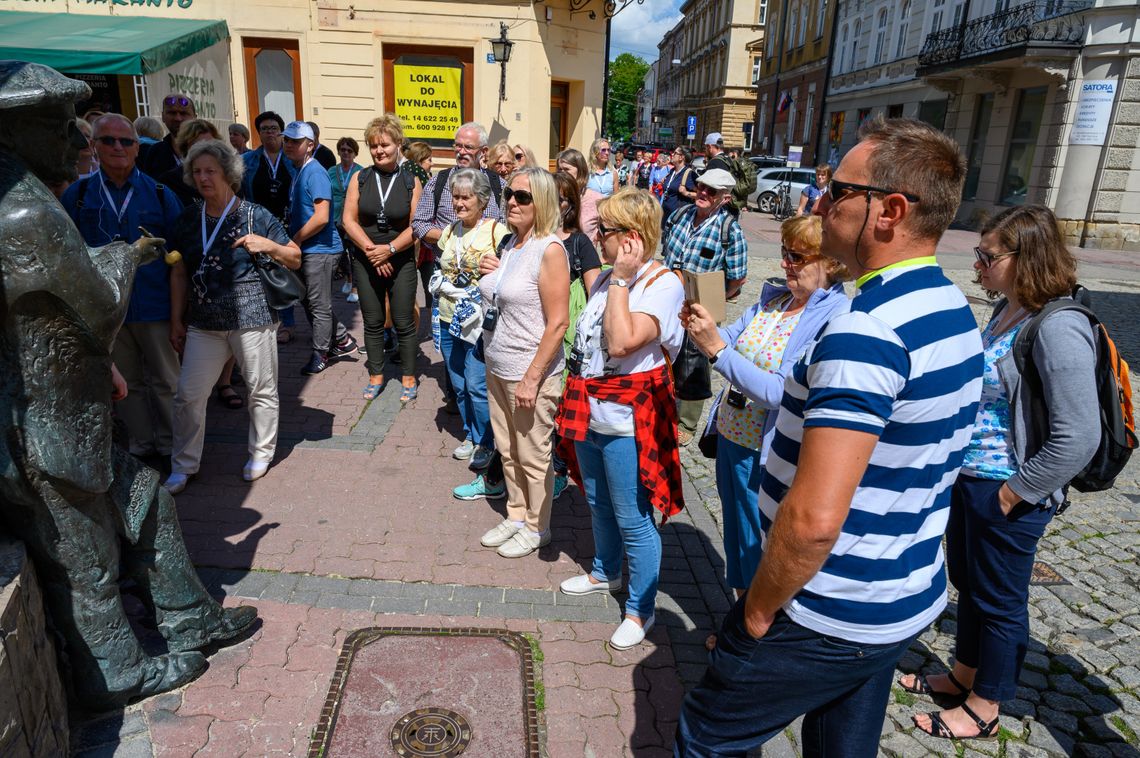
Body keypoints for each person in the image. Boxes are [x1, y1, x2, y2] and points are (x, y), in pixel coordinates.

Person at [674, 117, 983, 755]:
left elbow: (813, 519)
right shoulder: (950, 307)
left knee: (705, 735)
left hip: (827, 605)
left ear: (890, 211)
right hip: (898, 594)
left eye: (839, 191)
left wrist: (756, 612)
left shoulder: (865, 332)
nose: (820, 201)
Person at [0, 62, 256, 709]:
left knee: (146, 497)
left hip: (62, 409)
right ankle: (115, 672)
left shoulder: (21, 196)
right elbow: (97, 305)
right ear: (20, 131)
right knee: (84, 559)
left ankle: (188, 616)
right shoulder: (27, 209)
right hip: (46, 426)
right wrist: (125, 254)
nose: (80, 141)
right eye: (65, 126)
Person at [904, 205, 1100, 741]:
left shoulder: (1058, 326)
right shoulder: (1008, 308)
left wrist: (1017, 492)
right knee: (970, 583)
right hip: (973, 479)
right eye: (979, 254)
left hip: (1007, 487)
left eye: (988, 257)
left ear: (1026, 258)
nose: (978, 265)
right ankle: (965, 672)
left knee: (999, 599)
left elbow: (1080, 434)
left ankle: (986, 706)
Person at [683, 215, 849, 610]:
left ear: (830, 262)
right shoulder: (774, 300)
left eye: (796, 256)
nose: (784, 264)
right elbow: (728, 338)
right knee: (739, 531)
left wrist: (717, 351)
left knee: (765, 538)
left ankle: (760, 621)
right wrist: (701, 327)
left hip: (772, 449)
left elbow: (779, 390)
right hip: (732, 433)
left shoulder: (833, 316)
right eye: (782, 253)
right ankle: (741, 611)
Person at [555, 187, 686, 650]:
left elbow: (621, 343)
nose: (596, 236)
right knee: (597, 501)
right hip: (589, 408)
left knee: (633, 516)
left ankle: (640, 608)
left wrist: (623, 282)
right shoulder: (605, 278)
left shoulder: (662, 284)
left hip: (629, 419)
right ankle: (606, 572)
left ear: (630, 238)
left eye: (603, 230)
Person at [163, 139, 302, 493]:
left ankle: (261, 453)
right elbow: (178, 271)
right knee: (189, 394)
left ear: (228, 173)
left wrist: (267, 245)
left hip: (252, 316)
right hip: (205, 321)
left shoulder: (256, 215)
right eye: (197, 171)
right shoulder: (189, 217)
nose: (203, 177)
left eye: (210, 170)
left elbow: (295, 256)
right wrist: (177, 320)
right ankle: (183, 464)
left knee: (261, 390)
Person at [61, 114, 184, 470]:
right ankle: (142, 447)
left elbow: (179, 259)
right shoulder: (78, 194)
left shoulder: (160, 193)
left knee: (167, 380)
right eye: (108, 140)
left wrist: (179, 316)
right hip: (107, 309)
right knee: (125, 384)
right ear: (94, 147)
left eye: (126, 141)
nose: (118, 147)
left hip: (154, 305)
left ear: (137, 148)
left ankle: (174, 446)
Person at [476, 168, 570, 559]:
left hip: (530, 372)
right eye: (510, 195)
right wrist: (494, 277)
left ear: (542, 203)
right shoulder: (512, 245)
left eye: (523, 197)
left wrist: (533, 378)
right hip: (498, 363)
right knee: (508, 448)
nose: (512, 201)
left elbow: (558, 322)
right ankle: (516, 515)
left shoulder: (549, 249)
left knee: (533, 454)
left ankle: (537, 526)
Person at [662, 167, 748, 445]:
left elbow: (737, 278)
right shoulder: (679, 216)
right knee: (665, 352)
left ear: (724, 198)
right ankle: (664, 405)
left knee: (694, 361)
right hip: (668, 301)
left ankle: (686, 420)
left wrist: (714, 299)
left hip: (701, 307)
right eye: (700, 186)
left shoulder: (729, 231)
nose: (702, 193)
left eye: (711, 191)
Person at [434, 169, 509, 485]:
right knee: (459, 383)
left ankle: (487, 442)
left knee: (478, 385)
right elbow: (442, 265)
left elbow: (509, 270)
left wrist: (495, 268)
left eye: (466, 197)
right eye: (456, 196)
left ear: (482, 200)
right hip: (449, 317)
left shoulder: (497, 230)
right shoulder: (450, 230)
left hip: (478, 321)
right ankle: (472, 434)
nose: (459, 203)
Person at [341, 115, 421, 400]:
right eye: (373, 146)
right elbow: (348, 221)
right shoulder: (359, 178)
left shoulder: (410, 181)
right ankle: (376, 375)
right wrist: (372, 251)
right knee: (373, 321)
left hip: (399, 260)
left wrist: (389, 250)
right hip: (365, 258)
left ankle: (409, 377)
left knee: (403, 321)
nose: (379, 151)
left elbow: (416, 226)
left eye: (384, 144)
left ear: (398, 144)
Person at [282, 120, 358, 375]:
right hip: (310, 249)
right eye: (287, 140)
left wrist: (296, 239)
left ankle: (321, 353)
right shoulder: (300, 170)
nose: (289, 145)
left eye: (295, 141)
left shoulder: (314, 172)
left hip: (321, 249)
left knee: (318, 304)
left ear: (310, 145)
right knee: (310, 302)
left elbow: (322, 216)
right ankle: (343, 340)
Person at [551, 171, 604, 499]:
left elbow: (595, 295)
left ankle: (559, 467)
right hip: (529, 336)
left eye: (553, 197)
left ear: (567, 203)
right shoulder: (529, 238)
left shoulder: (579, 242)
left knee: (559, 407)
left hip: (565, 338)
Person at [242, 111, 299, 343]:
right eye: (264, 128)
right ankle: (266, 321)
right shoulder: (248, 161)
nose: (269, 133)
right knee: (260, 272)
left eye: (274, 128)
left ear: (281, 132)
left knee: (282, 272)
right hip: (257, 223)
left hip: (285, 224)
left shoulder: (292, 160)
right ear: (259, 133)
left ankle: (287, 323)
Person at [402, 140, 435, 315]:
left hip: (413, 237)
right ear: (420, 159)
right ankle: (427, 319)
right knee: (427, 282)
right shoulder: (418, 174)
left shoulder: (404, 170)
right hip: (419, 238)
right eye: (429, 159)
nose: (432, 163)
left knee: (413, 284)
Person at [329, 136, 363, 304]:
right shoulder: (331, 172)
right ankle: (349, 278)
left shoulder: (361, 171)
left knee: (355, 254)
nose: (346, 153)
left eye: (349, 150)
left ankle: (355, 288)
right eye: (342, 150)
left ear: (355, 153)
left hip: (353, 219)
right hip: (334, 218)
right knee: (340, 252)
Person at [160, 119, 220, 204]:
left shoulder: (227, 177)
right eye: (199, 146)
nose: (207, 151)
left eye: (211, 145)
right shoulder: (171, 181)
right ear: (186, 149)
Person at [140, 94, 195, 178]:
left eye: (183, 113)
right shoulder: (155, 152)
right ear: (163, 116)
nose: (178, 118)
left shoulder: (209, 150)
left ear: (195, 118)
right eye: (172, 113)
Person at [556, 148, 601, 241]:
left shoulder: (596, 200)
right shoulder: (554, 196)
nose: (562, 174)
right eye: (560, 170)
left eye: (566, 169)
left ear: (580, 170)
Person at [661, 146, 697, 222]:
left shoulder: (690, 174)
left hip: (678, 218)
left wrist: (686, 193)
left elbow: (700, 194)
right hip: (665, 214)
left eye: (675, 153)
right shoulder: (672, 171)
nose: (672, 154)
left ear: (681, 157)